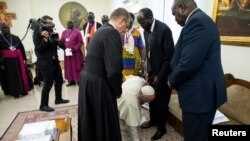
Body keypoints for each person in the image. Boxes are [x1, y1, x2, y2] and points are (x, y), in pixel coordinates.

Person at [168, 0, 227, 141]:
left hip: (199, 98)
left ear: (182, 7)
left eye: (174, 14)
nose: (175, 18)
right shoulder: (199, 20)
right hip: (200, 95)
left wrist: (171, 80)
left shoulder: (197, 23)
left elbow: (188, 63)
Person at [78, 8, 130, 141]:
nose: (125, 31)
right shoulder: (112, 33)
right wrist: (117, 91)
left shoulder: (101, 30)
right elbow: (114, 69)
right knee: (105, 122)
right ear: (122, 20)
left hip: (88, 80)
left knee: (92, 122)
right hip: (98, 83)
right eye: (126, 27)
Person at [137, 8, 174, 140]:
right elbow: (149, 53)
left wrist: (160, 75)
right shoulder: (146, 31)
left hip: (164, 73)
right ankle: (152, 121)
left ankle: (161, 128)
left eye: (142, 22)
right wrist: (148, 71)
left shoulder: (164, 30)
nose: (141, 25)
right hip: (153, 71)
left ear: (150, 18)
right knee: (151, 98)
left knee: (162, 102)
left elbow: (169, 57)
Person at [32, 15, 69, 112]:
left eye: (51, 23)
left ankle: (58, 99)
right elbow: (39, 49)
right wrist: (45, 39)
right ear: (43, 22)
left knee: (59, 81)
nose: (51, 25)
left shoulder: (53, 32)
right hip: (45, 63)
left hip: (54, 62)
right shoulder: (37, 33)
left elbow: (62, 46)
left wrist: (59, 41)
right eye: (49, 23)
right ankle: (43, 105)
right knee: (48, 84)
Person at [0, 23, 33, 97]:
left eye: (7, 28)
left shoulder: (15, 37)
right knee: (12, 77)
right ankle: (15, 92)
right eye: (4, 28)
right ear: (1, 30)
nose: (7, 29)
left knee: (22, 75)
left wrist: (25, 59)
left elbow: (22, 48)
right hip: (7, 62)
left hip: (19, 60)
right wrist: (1, 63)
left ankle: (24, 90)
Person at [117, 75, 155, 141]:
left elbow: (132, 78)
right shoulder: (132, 104)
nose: (147, 102)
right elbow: (132, 127)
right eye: (146, 101)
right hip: (123, 101)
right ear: (141, 95)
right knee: (127, 121)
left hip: (123, 94)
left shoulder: (139, 81)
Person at [121, 12, 146, 80]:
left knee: (134, 84)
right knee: (124, 85)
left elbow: (142, 48)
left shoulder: (137, 32)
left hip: (135, 64)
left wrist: (143, 62)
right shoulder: (120, 32)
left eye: (131, 22)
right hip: (123, 65)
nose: (129, 24)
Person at [61, 20, 84, 86]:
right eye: (68, 23)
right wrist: (64, 48)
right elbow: (62, 41)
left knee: (77, 66)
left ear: (73, 24)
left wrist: (74, 49)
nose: (70, 24)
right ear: (67, 24)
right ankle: (71, 81)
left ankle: (79, 80)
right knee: (69, 67)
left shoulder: (77, 32)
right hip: (67, 54)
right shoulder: (64, 32)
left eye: (71, 23)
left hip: (75, 53)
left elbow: (80, 42)